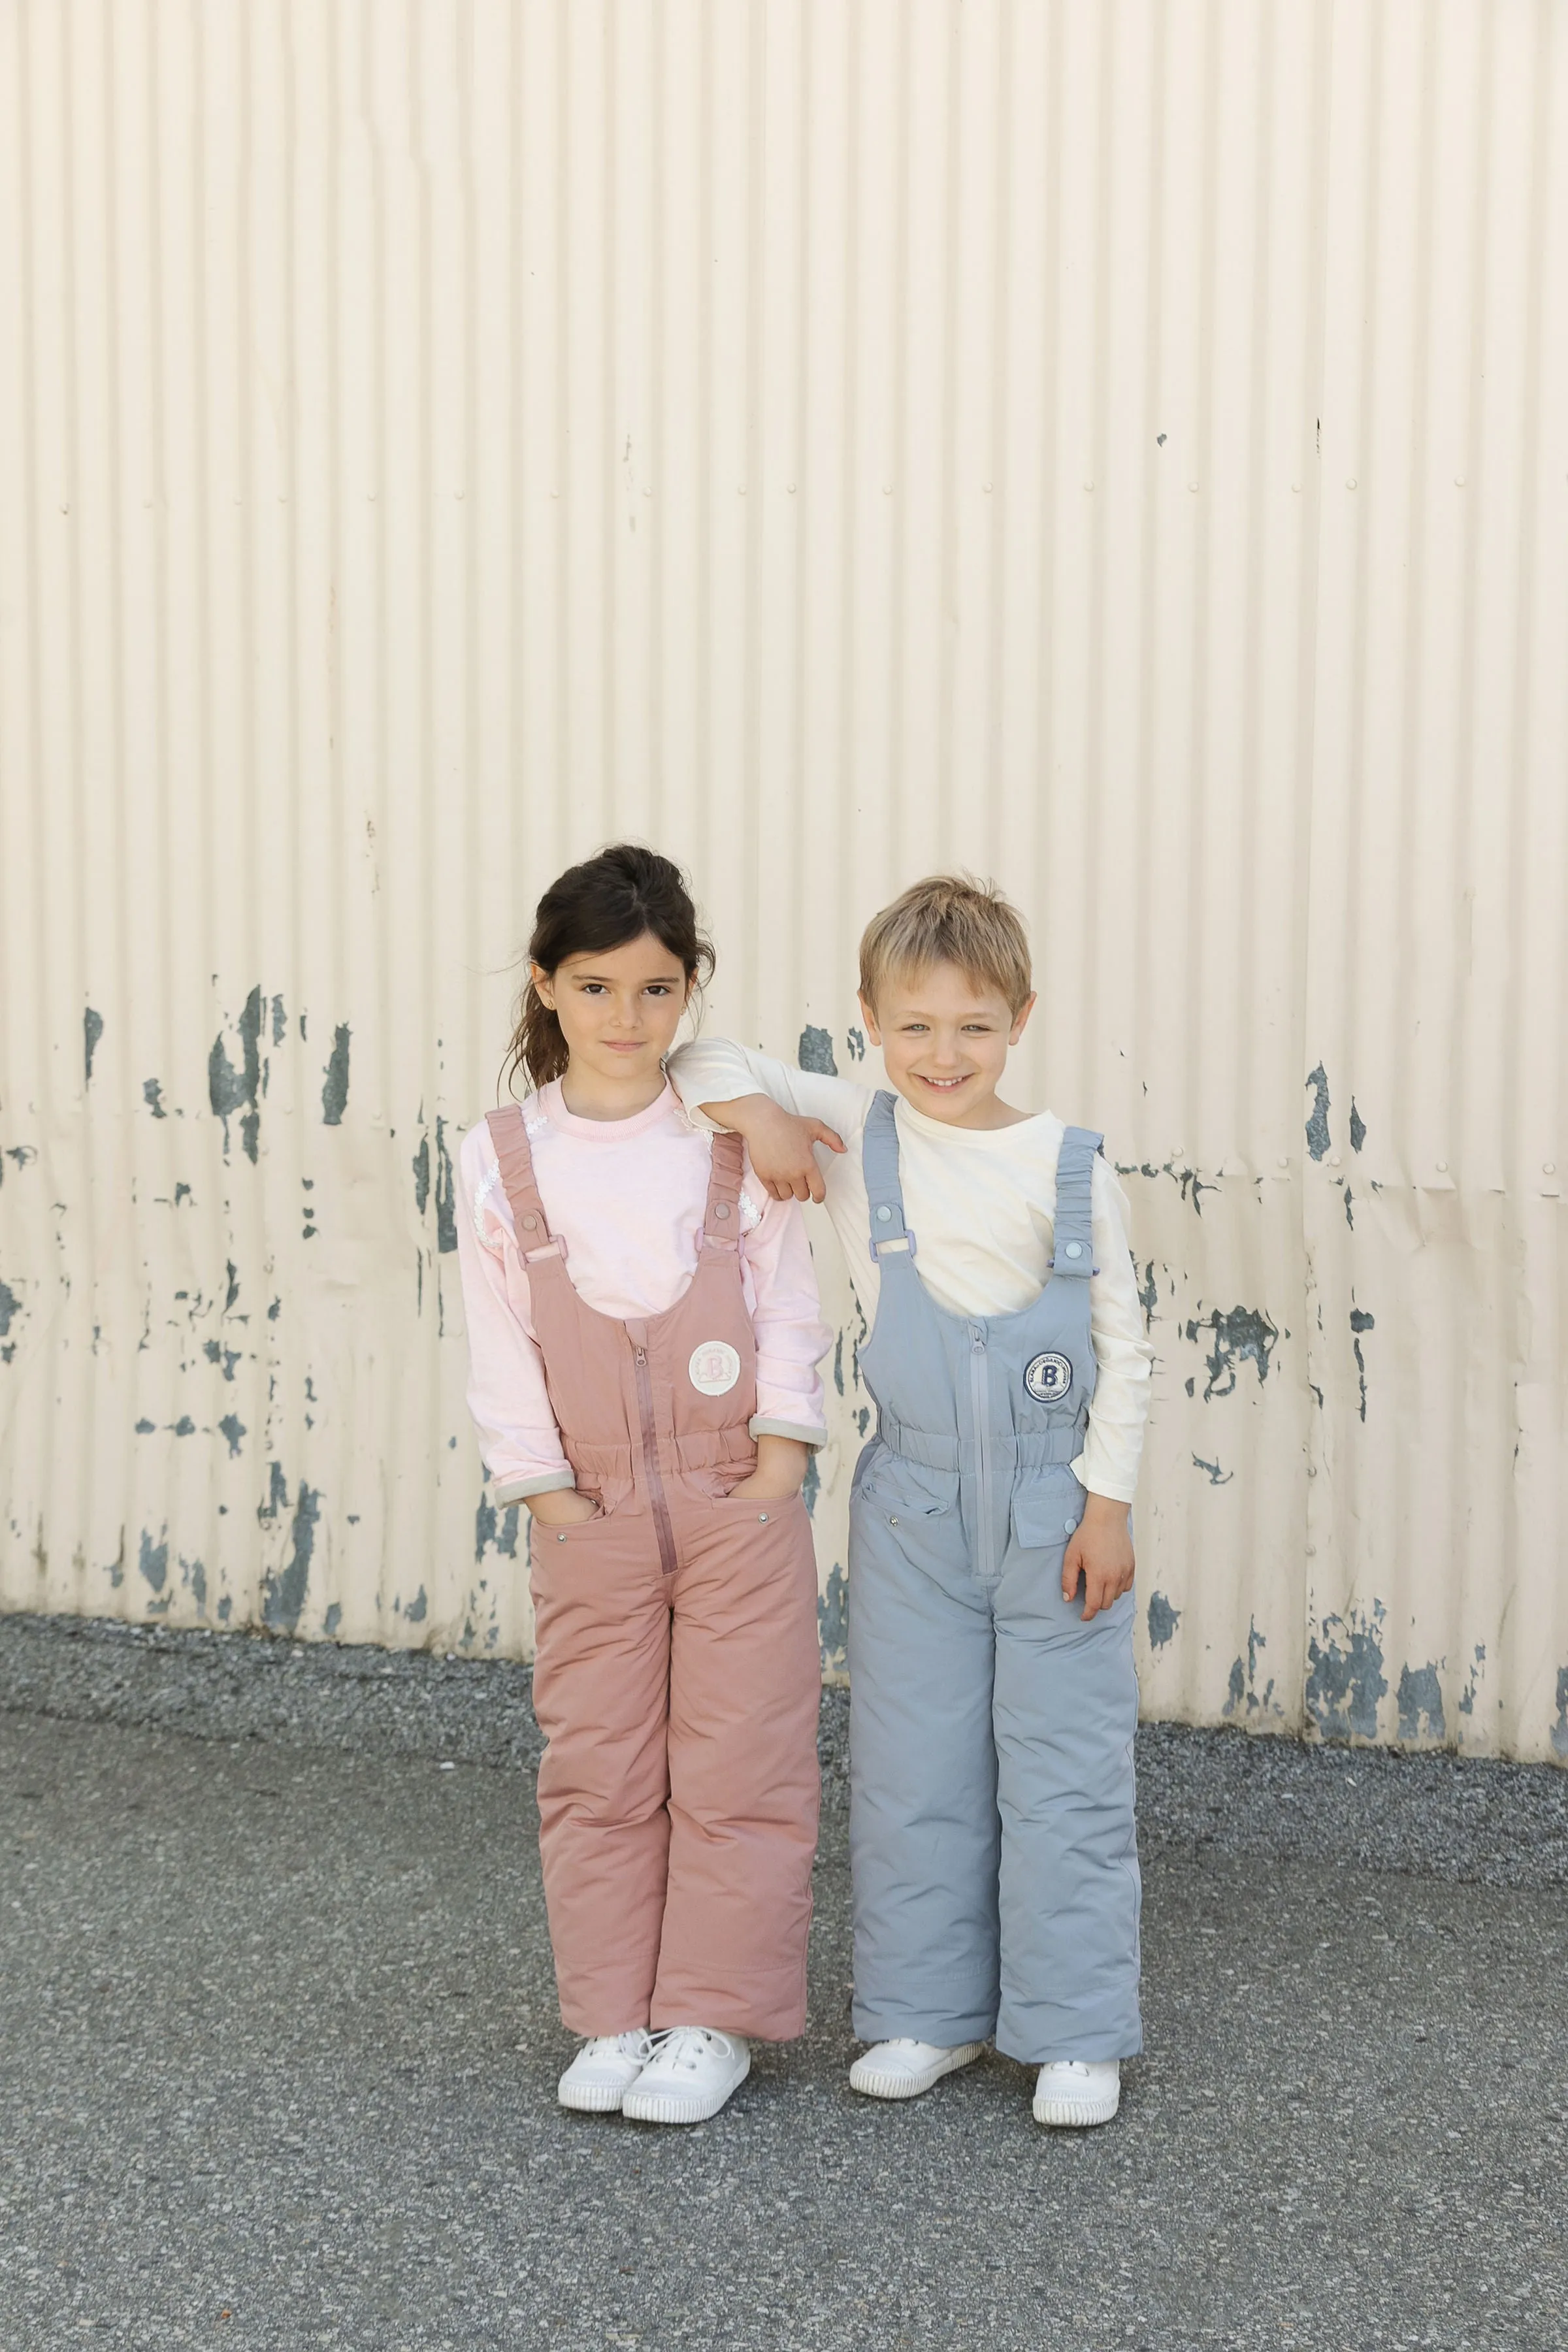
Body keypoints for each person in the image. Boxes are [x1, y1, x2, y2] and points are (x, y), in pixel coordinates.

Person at [668, 874, 1152, 2129]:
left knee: (1064, 1773)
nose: (945, 1055)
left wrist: (1108, 1504)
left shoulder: (1072, 1166)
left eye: (975, 1026)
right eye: (916, 1027)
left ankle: (1073, 2031)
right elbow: (696, 1054)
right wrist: (765, 1125)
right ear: (871, 1025)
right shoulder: (857, 1128)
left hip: (1057, 1511)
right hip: (911, 1512)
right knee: (913, 1765)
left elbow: (1128, 1352)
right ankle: (923, 2016)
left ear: (1022, 1019)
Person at [455, 843, 830, 2126]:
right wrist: (546, 1495)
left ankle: (712, 2019)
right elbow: (497, 1335)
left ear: (691, 991)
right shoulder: (500, 1153)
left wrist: (780, 1466)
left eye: (659, 990)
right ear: (548, 988)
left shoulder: (725, 1131)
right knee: (602, 1767)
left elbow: (787, 1297)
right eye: (599, 988)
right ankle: (617, 2011)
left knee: (742, 1763)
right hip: (592, 1512)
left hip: (737, 1500)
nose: (630, 1019)